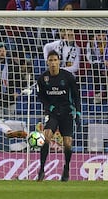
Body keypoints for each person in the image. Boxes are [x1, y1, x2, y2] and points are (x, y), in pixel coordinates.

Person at [36, 50, 81, 182]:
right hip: (53, 113)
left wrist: (77, 112)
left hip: (66, 112)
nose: (53, 63)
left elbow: (76, 96)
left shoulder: (68, 77)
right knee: (46, 136)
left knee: (67, 143)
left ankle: (66, 169)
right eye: (50, 60)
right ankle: (42, 170)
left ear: (59, 62)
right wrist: (49, 107)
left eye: (55, 60)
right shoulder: (43, 78)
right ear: (47, 62)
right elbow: (41, 96)